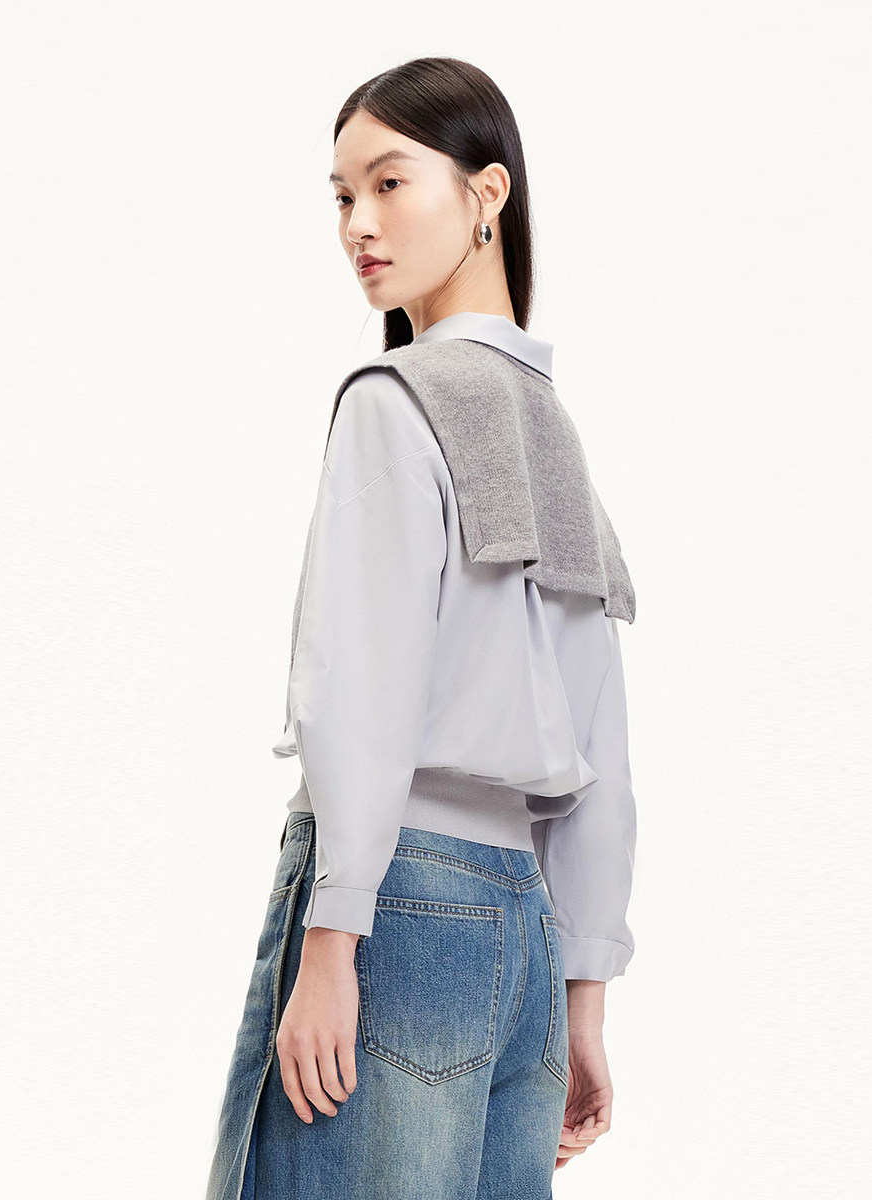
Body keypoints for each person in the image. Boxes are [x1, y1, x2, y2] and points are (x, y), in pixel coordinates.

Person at [206, 56, 640, 1200]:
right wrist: (583, 999)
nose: (360, 224)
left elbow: (361, 689)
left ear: (487, 194)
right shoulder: (554, 437)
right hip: (523, 933)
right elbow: (601, 743)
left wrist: (333, 938)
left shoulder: (392, 404)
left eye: (391, 183)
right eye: (343, 196)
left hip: (394, 906)